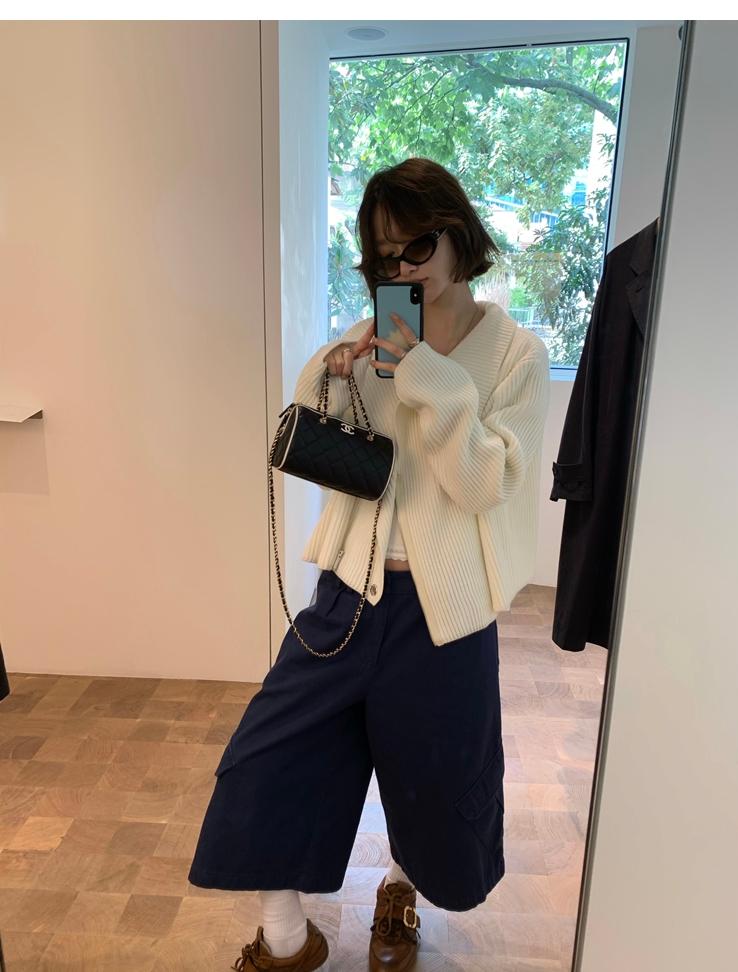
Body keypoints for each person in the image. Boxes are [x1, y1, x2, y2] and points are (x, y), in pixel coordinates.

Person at [188, 157, 551, 972]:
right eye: (385, 257)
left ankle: (399, 889)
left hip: (445, 617)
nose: (403, 269)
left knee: (432, 780)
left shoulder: (516, 357)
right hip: (347, 594)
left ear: (458, 236)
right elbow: (324, 434)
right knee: (265, 760)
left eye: (417, 246)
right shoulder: (372, 334)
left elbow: (482, 483)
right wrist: (336, 367)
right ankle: (287, 939)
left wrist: (424, 374)